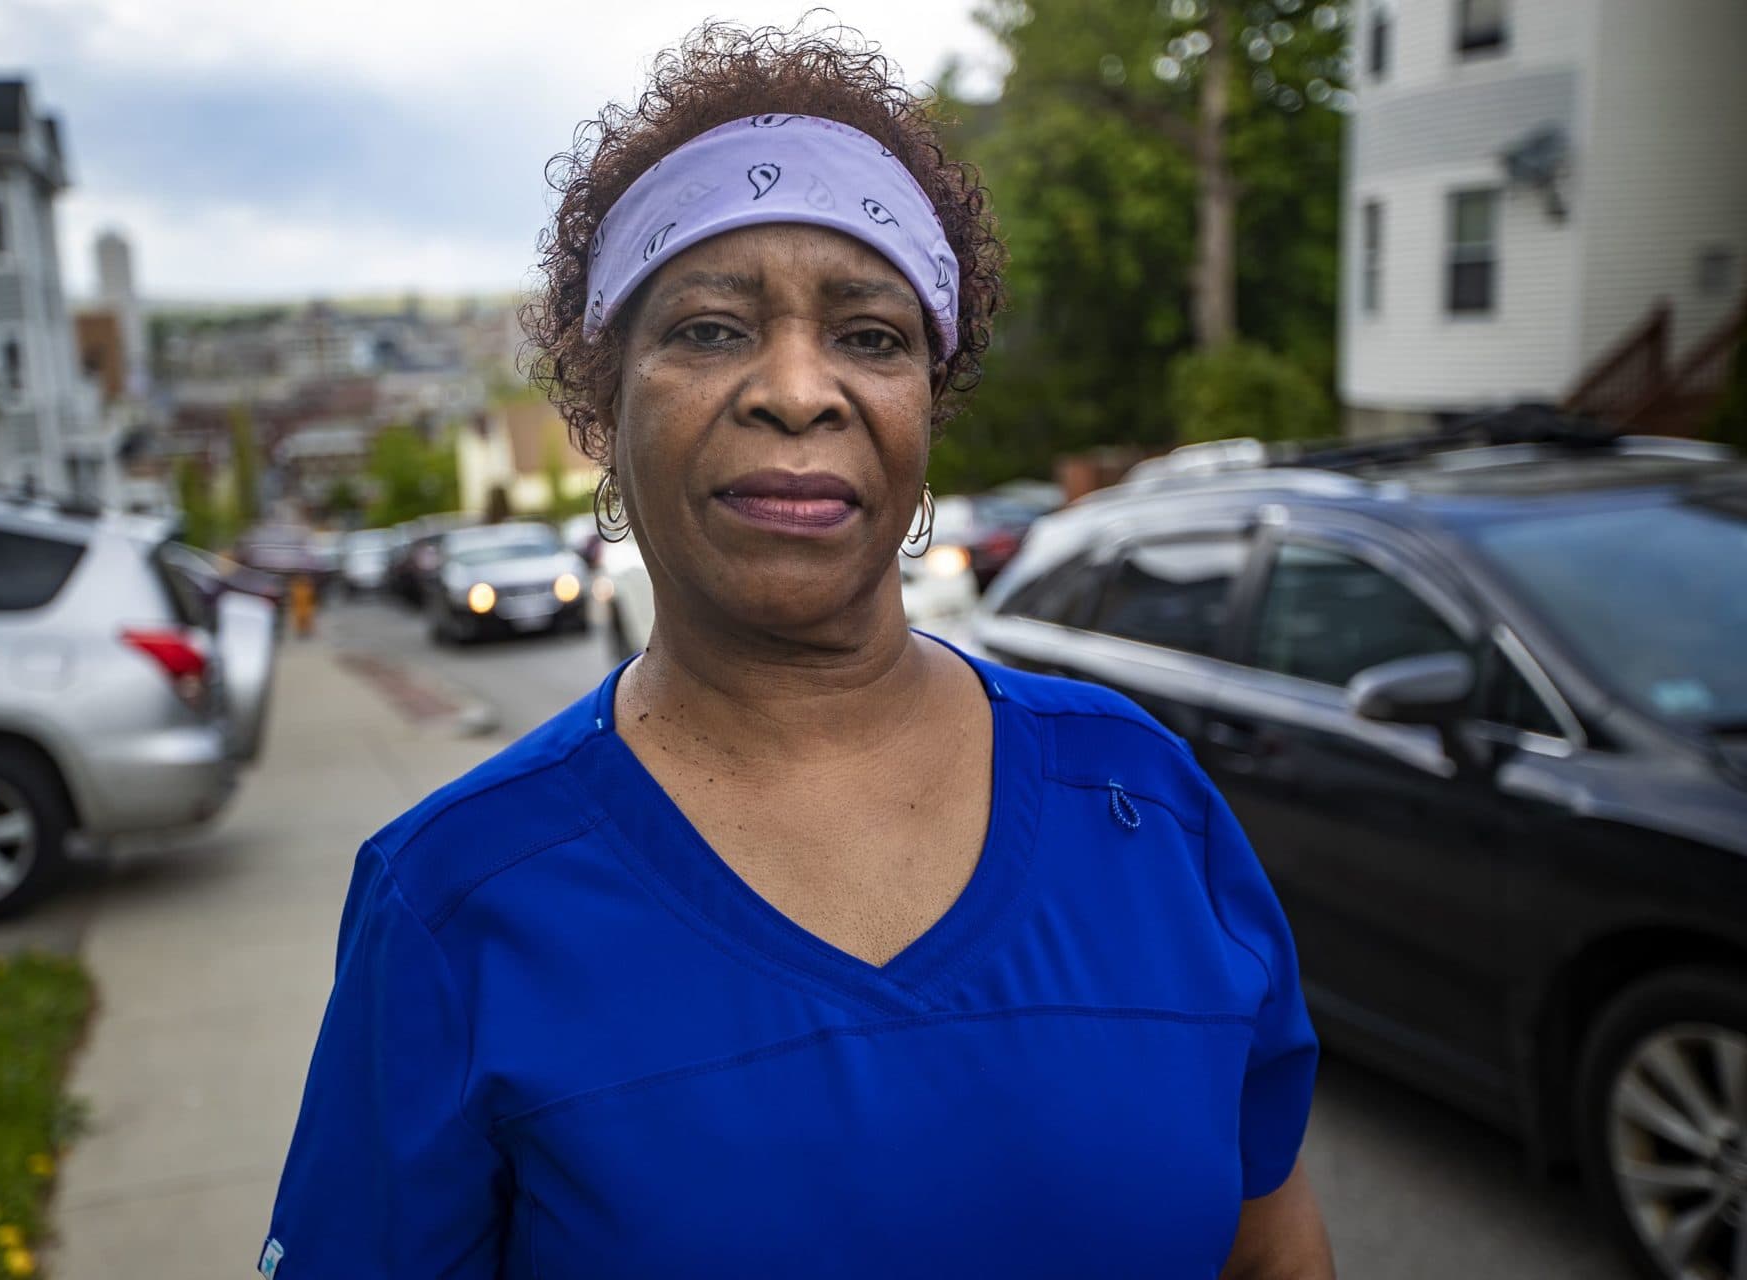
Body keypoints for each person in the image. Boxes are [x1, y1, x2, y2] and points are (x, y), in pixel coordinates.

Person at [262, 22, 1332, 1279]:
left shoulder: (1144, 806)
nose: (796, 388)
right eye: (711, 327)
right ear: (602, 406)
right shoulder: (456, 900)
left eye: (871, 334)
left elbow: (1273, 1248)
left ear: (929, 402)